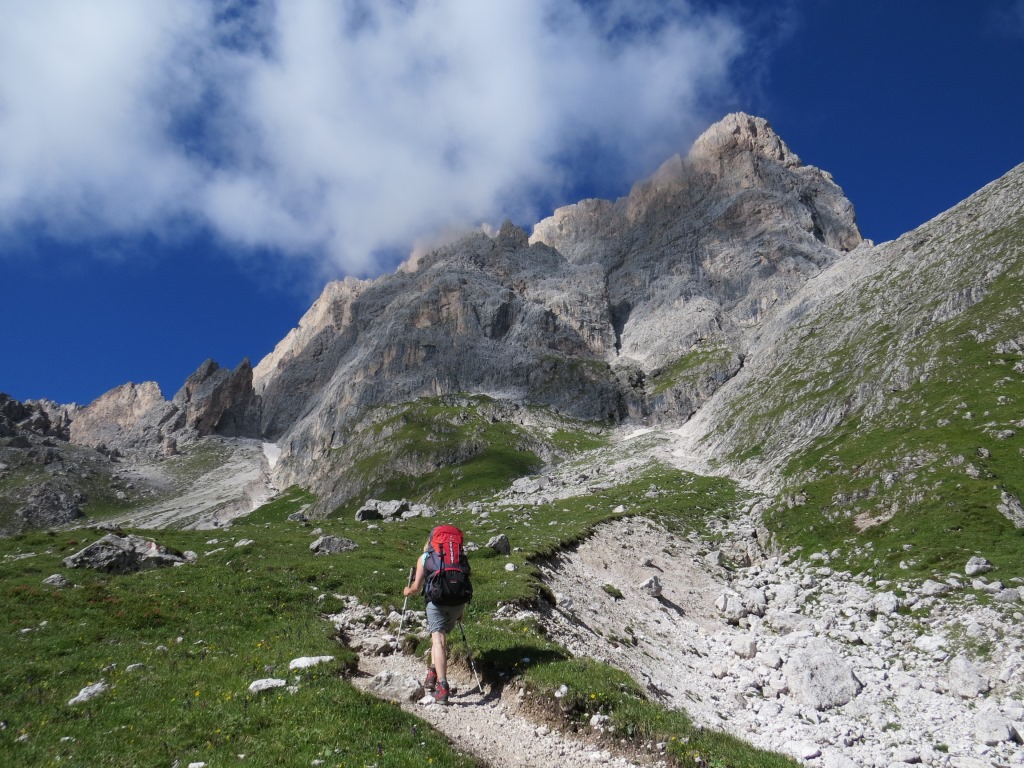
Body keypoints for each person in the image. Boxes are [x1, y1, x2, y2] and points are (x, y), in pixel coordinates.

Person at [403, 533, 466, 704]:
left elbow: (416, 588)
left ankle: (442, 686)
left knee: (437, 640)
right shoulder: (459, 558)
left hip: (436, 602)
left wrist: (407, 591)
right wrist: (462, 610)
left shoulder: (425, 557)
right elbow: (464, 583)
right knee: (440, 638)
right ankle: (432, 672)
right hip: (457, 603)